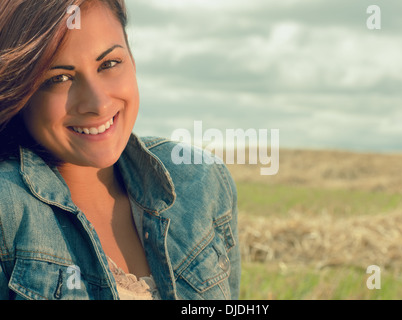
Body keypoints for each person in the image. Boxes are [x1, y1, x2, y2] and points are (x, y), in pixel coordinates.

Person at [0, 0, 240, 300]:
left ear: (132, 59)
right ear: (19, 89)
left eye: (109, 63)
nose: (98, 103)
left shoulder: (202, 180)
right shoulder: (7, 214)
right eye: (59, 78)